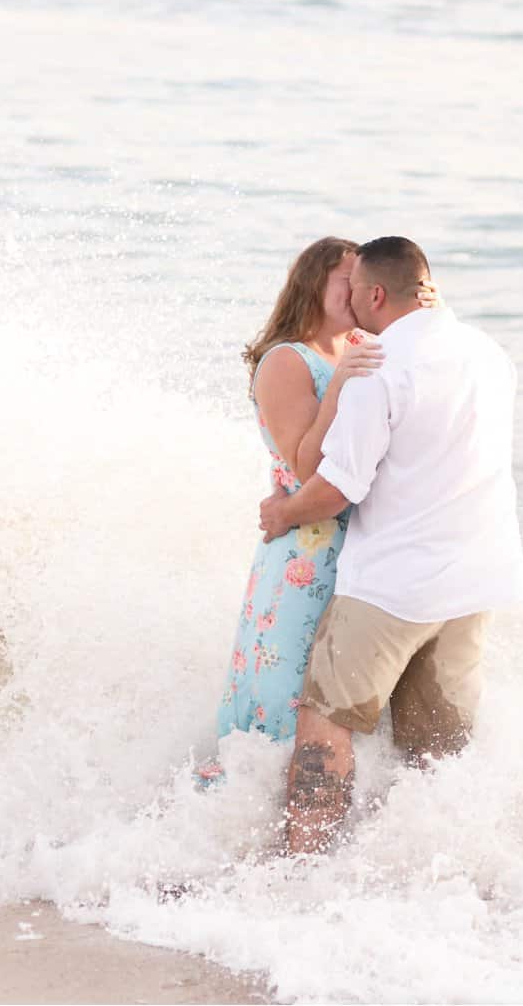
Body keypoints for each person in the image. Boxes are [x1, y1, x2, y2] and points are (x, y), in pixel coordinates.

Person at [258, 236, 523, 852]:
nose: (350, 303)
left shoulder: (380, 367)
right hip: (476, 578)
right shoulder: (490, 353)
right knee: (437, 748)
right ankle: (430, 870)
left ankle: (300, 865)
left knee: (325, 722)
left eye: (356, 291)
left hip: (394, 583)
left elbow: (334, 491)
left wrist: (283, 513)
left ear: (375, 294)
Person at [195, 236, 436, 786]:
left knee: (345, 700)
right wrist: (341, 384)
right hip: (307, 545)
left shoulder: (361, 343)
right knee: (289, 693)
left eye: (360, 281)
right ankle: (248, 819)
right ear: (314, 283)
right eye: (343, 279)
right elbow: (305, 470)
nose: (355, 291)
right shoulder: (287, 360)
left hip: (363, 545)